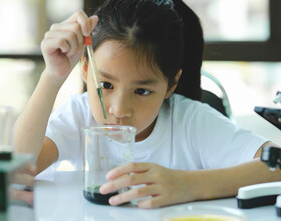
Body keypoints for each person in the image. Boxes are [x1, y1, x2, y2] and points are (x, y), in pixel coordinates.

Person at [14, 0, 281, 208]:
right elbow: (17, 167)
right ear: (85, 69)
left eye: (141, 90)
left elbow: (277, 166)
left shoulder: (189, 122)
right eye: (106, 85)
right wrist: (52, 77)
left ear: (171, 85)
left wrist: (188, 185)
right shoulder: (79, 115)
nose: (118, 109)